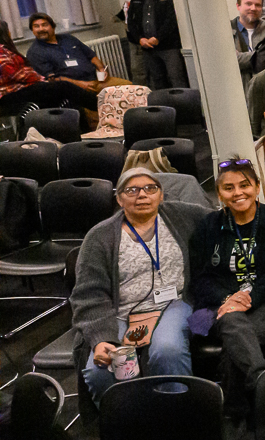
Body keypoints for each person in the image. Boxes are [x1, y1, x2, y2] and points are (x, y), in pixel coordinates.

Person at [72, 165, 208, 402]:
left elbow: (225, 216)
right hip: (120, 312)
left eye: (150, 188)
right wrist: (101, 338)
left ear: (161, 194)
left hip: (172, 303)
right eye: (132, 190)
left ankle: (179, 417)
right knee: (101, 370)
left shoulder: (182, 216)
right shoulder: (99, 236)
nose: (142, 195)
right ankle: (128, 424)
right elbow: (89, 294)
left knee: (168, 351)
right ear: (119, 198)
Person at [187, 157, 265, 410]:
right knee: (235, 322)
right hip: (220, 304)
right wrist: (228, 299)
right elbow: (200, 277)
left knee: (238, 343)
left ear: (257, 187)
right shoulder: (208, 226)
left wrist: (250, 298)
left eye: (244, 185)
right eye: (229, 188)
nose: (237, 193)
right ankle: (262, 379)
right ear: (219, 194)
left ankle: (236, 414)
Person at [25, 13, 128, 96]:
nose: (41, 29)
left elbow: (92, 56)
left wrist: (101, 69)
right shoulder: (35, 52)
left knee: (134, 90)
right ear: (32, 30)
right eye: (36, 26)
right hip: (75, 90)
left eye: (45, 25)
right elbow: (52, 79)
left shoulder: (68, 38)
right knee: (102, 111)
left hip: (98, 81)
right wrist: (81, 84)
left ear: (53, 27)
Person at [0, 37, 99, 116]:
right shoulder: (1, 51)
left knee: (55, 98)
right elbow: (13, 73)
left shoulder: (4, 49)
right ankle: (103, 107)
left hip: (20, 87)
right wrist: (40, 78)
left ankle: (75, 130)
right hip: (9, 95)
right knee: (64, 87)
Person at [124, 0, 188, 89]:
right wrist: (140, 39)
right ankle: (163, 106)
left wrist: (158, 37)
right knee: (156, 79)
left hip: (169, 46)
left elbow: (172, 20)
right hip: (147, 48)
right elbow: (132, 22)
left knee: (176, 77)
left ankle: (183, 105)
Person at [227, 0, 265, 89]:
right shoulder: (225, 31)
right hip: (236, 90)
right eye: (248, 4)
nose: (253, 8)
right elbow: (229, 60)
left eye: (258, 5)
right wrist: (261, 55)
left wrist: (241, 57)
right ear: (238, 6)